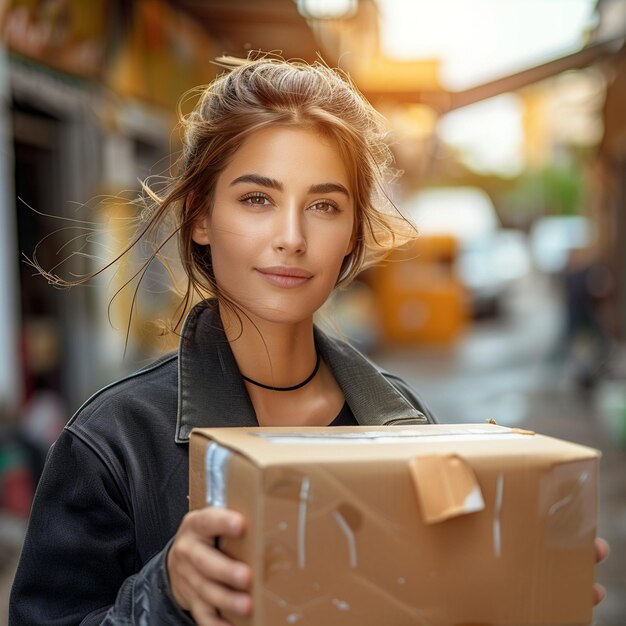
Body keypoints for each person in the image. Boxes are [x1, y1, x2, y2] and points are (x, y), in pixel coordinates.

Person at [9, 56, 607, 625]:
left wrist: (518, 592)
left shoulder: (402, 427)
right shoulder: (112, 443)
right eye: (257, 199)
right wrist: (165, 596)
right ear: (199, 215)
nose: (291, 237)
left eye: (324, 205)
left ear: (351, 233)